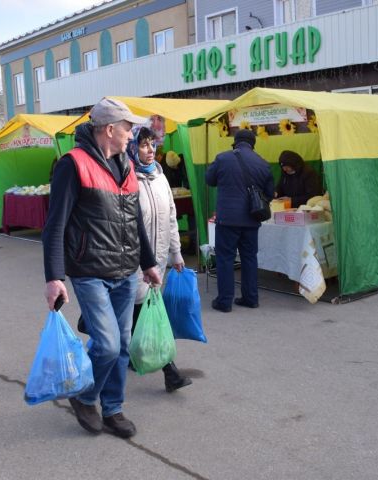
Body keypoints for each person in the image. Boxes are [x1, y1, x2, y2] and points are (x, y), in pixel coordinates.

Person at [42, 98, 162, 439]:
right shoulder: (73, 164)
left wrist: (148, 263)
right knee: (107, 345)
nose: (131, 134)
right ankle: (85, 396)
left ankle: (113, 409)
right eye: (128, 128)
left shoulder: (126, 164)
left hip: (126, 272)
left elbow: (134, 219)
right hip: (90, 270)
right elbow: (55, 225)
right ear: (109, 129)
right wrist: (54, 277)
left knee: (122, 345)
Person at [127, 125, 191, 392]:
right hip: (135, 262)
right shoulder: (128, 178)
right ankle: (170, 370)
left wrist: (176, 253)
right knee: (146, 310)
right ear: (133, 148)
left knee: (137, 312)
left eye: (153, 144)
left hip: (159, 258)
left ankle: (128, 353)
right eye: (143, 145)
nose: (150, 150)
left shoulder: (161, 178)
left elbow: (172, 219)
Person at [205, 129, 274, 312]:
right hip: (252, 220)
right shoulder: (263, 163)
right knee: (249, 258)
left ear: (235, 142)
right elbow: (269, 194)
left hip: (227, 219)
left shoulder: (222, 158)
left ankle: (225, 301)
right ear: (253, 144)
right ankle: (251, 298)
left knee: (225, 259)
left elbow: (209, 179)